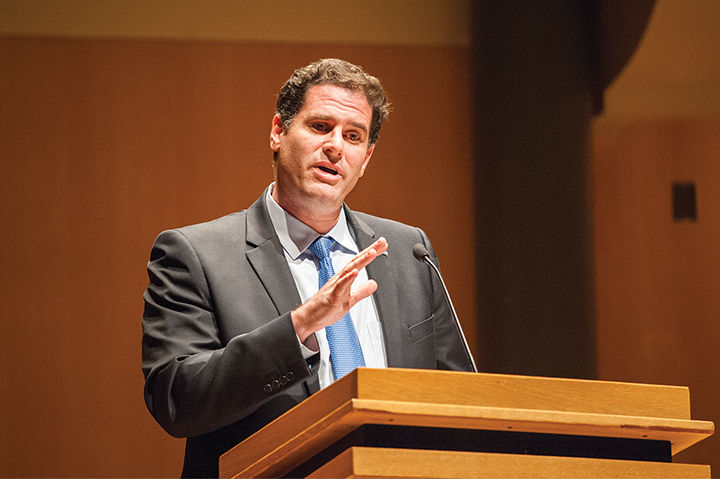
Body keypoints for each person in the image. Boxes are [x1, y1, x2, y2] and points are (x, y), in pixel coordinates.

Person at [141, 58, 473, 478]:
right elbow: (176, 400)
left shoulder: (410, 251)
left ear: (366, 158)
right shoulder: (195, 254)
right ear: (278, 132)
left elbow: (457, 397)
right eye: (320, 126)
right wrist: (299, 327)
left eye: (353, 136)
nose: (336, 146)